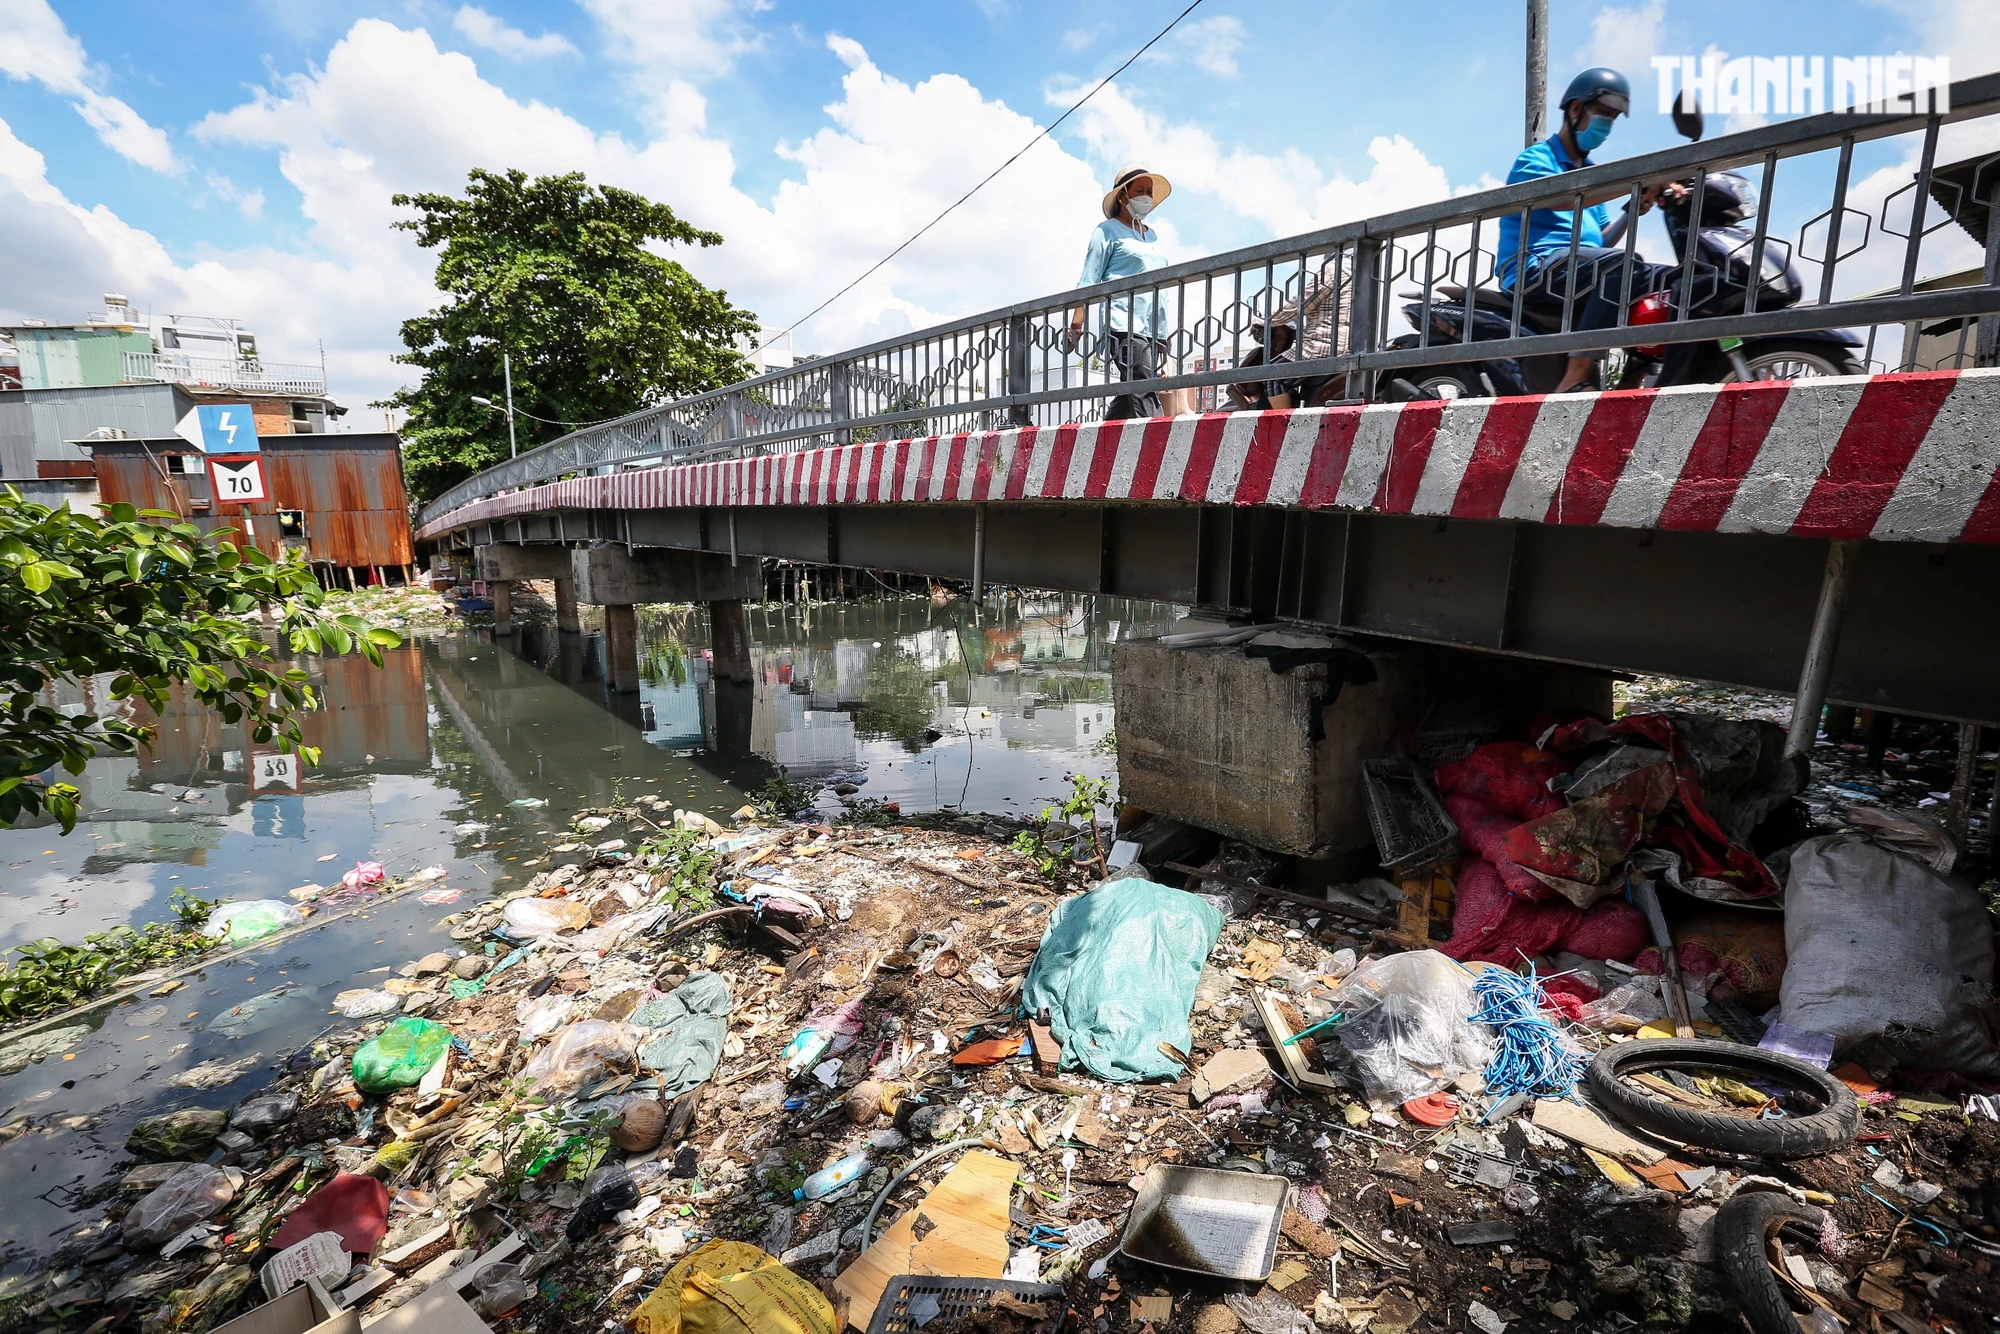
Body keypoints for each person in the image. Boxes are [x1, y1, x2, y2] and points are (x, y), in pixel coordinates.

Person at [1495, 67, 1678, 391]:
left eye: (1612, 119)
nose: (1606, 126)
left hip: (1577, 269)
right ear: (1576, 109)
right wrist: (1633, 181)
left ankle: (1637, 373)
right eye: (1603, 114)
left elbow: (1603, 243)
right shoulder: (1536, 159)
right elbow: (1562, 198)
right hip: (1534, 270)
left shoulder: (1592, 173)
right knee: (1623, 263)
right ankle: (1578, 371)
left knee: (1674, 280)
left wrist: (1633, 209)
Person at [1067, 166, 1192, 418]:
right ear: (1123, 196)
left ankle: (1095, 442)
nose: (1145, 196)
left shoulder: (1152, 235)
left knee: (1131, 392)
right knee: (1143, 387)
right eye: (1139, 191)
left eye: (1149, 191)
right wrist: (1077, 323)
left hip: (1150, 327)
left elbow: (1159, 285)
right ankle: (1159, 444)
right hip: (1124, 323)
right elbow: (1089, 277)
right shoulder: (1107, 231)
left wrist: (1161, 333)